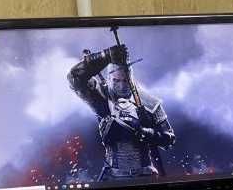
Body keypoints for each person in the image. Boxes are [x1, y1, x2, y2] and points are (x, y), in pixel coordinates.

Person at [67, 43, 175, 181]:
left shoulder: (149, 102)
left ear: (132, 78)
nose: (122, 86)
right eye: (116, 81)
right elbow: (74, 78)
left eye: (126, 81)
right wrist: (106, 56)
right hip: (112, 176)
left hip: (145, 175)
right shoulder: (101, 97)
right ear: (109, 79)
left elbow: (169, 139)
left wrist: (149, 133)